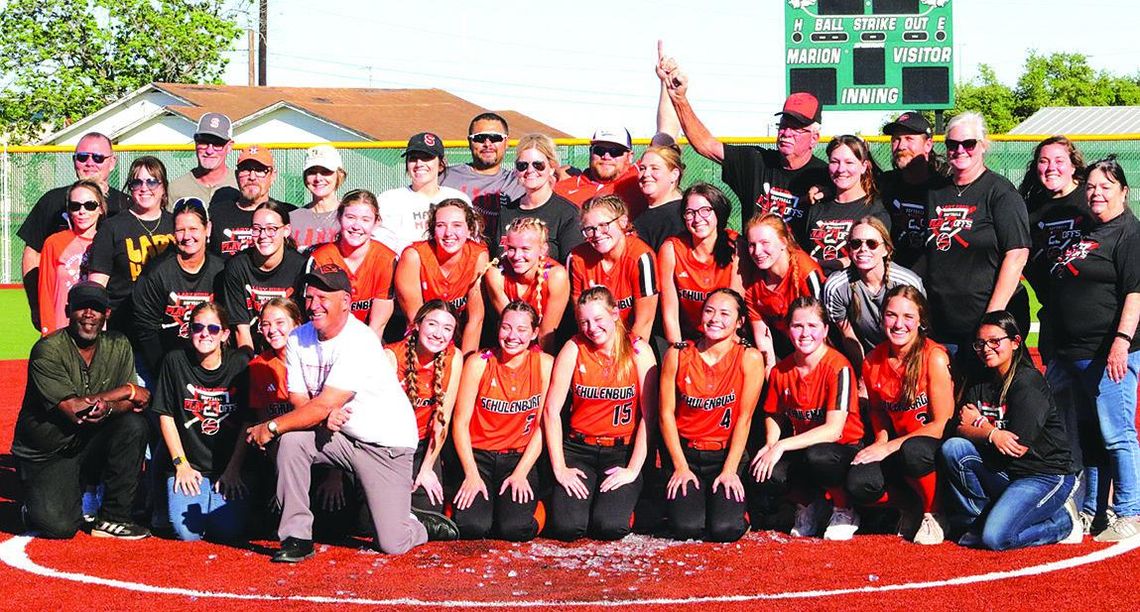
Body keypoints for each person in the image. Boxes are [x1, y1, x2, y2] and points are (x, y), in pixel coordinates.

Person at [246, 265, 458, 563]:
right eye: (309, 297)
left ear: (345, 301)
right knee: (292, 442)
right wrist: (319, 417)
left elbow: (322, 403)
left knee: (392, 543)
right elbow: (300, 399)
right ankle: (296, 537)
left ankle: (419, 524)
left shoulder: (360, 340)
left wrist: (269, 427)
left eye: (323, 297)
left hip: (386, 445)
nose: (313, 305)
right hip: (340, 437)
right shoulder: (297, 339)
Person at [1043, 156, 1140, 541]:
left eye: (1105, 186)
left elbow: (1135, 293)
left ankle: (1129, 511)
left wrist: (1121, 342)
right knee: (1089, 435)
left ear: (1123, 191)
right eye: (1091, 187)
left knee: (1117, 435)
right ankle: (1093, 510)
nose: (1096, 193)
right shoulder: (1085, 231)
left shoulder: (1129, 234)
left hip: (1106, 353)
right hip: (1073, 353)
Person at [13, 281, 151, 539]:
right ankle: (33, 506)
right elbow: (74, 410)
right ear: (68, 311)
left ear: (106, 314)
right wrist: (124, 391)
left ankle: (113, 518)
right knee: (59, 527)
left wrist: (110, 407)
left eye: (96, 309)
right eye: (81, 308)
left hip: (90, 440)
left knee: (134, 425)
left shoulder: (119, 344)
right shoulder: (48, 350)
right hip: (48, 450)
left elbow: (135, 404)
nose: (89, 314)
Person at [656, 49, 830, 247]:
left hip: (799, 268)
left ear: (814, 138)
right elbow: (706, 145)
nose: (787, 133)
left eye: (796, 128)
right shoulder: (756, 161)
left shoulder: (824, 175)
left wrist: (831, 190)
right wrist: (679, 99)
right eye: (783, 125)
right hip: (754, 266)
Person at [941, 311, 1080, 550]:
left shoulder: (1027, 383)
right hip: (1006, 471)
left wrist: (983, 428)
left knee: (996, 538)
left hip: (1043, 475)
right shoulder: (981, 382)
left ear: (1015, 342)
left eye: (995, 341)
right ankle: (978, 521)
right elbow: (962, 427)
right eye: (981, 343)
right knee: (954, 449)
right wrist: (991, 433)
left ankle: (1062, 523)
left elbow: (1016, 445)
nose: (986, 348)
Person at [542, 287, 659, 541]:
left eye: (598, 320)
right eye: (584, 321)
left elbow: (649, 418)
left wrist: (632, 469)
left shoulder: (638, 350)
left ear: (615, 314)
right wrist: (560, 468)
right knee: (568, 528)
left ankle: (637, 504)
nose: (591, 328)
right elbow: (551, 411)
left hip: (620, 450)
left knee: (609, 527)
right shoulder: (574, 347)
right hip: (580, 448)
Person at [750, 297, 864, 540]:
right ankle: (808, 505)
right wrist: (771, 443)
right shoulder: (781, 371)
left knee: (819, 455)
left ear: (825, 330)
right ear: (787, 329)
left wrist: (781, 445)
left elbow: (833, 430)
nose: (805, 333)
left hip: (842, 449)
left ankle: (844, 508)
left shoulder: (838, 366)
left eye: (812, 326)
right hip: (804, 446)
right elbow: (774, 412)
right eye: (797, 326)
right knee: (766, 468)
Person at [847, 287, 952, 544]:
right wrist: (881, 441)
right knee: (858, 481)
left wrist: (891, 446)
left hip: (930, 449)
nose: (898, 324)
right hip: (899, 448)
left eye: (907, 316)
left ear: (920, 321)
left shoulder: (934, 356)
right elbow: (877, 410)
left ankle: (935, 512)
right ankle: (911, 506)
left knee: (913, 451)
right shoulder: (872, 360)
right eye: (891, 315)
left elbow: (942, 424)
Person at [659, 289, 764, 542]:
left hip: (724, 454)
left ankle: (738, 509)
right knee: (687, 528)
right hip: (687, 453)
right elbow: (665, 414)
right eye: (709, 311)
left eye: (725, 314)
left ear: (739, 323)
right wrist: (680, 466)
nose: (715, 318)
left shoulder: (749, 357)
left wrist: (729, 470)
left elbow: (744, 419)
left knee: (725, 530)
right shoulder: (677, 354)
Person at [924, 112, 1030, 356]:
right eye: (952, 144)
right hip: (942, 325)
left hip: (986, 325)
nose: (960, 150)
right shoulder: (935, 191)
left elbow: (1017, 255)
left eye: (969, 143)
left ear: (983, 145)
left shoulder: (1000, 192)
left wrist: (991, 320)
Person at [451, 301, 554, 541]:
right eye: (506, 328)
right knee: (473, 528)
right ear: (498, 328)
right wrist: (471, 473)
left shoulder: (545, 364)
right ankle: (455, 499)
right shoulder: (479, 362)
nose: (512, 336)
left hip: (517, 457)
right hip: (480, 457)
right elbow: (460, 423)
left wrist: (521, 472)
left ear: (534, 333)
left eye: (521, 329)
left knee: (514, 529)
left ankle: (542, 504)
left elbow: (542, 426)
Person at [153, 302, 251, 541]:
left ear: (225, 334)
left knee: (226, 530)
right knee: (188, 532)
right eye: (197, 327)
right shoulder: (174, 361)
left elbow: (249, 421)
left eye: (213, 328)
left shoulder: (240, 364)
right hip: (190, 464)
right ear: (189, 331)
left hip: (227, 465)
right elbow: (165, 415)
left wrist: (233, 470)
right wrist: (181, 464)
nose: (204, 333)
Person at [19, 132, 129, 331]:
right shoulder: (52, 201)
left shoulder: (124, 205)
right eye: (82, 157)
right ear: (74, 160)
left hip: (112, 317)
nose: (89, 163)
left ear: (112, 162)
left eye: (97, 157)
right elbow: (32, 255)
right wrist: (37, 306)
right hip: (64, 315)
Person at [132, 197, 225, 381]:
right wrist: (166, 375)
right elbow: (146, 330)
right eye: (180, 230)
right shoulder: (156, 272)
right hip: (164, 361)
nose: (187, 236)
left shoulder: (221, 270)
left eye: (193, 229)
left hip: (211, 362)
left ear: (208, 229)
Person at [385, 301, 464, 514]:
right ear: (417, 325)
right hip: (389, 445)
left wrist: (427, 468)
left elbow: (442, 419)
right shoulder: (392, 356)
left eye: (447, 329)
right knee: (368, 520)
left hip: (422, 445)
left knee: (429, 508)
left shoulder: (454, 357)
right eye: (432, 324)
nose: (439, 334)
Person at [87, 156, 176, 342]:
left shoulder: (176, 225)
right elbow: (97, 286)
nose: (144, 188)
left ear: (164, 187)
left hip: (167, 323)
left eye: (152, 181)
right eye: (137, 182)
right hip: (123, 325)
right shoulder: (112, 227)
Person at [821, 217, 925, 369]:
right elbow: (849, 337)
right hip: (868, 361)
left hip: (908, 359)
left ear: (886, 249)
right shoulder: (836, 286)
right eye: (856, 244)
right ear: (849, 250)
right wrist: (865, 375)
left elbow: (918, 333)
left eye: (872, 244)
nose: (863, 249)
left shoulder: (908, 282)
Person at [1017, 136, 1087, 361]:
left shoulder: (1091, 200)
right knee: (1057, 393)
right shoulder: (1028, 210)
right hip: (1054, 322)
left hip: (1094, 323)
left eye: (1059, 161)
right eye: (1043, 161)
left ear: (1073, 165)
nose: (1051, 168)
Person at [395, 198, 489, 354]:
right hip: (420, 342)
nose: (448, 233)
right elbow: (416, 322)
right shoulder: (414, 256)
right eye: (440, 225)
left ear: (470, 229)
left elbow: (475, 320)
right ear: (433, 230)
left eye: (457, 225)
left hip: (457, 340)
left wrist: (464, 368)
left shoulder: (478, 255)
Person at [658, 182, 743, 344]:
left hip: (725, 337)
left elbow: (734, 311)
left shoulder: (737, 247)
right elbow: (670, 314)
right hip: (688, 338)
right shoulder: (671, 249)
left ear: (718, 212)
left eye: (705, 211)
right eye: (690, 213)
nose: (697, 219)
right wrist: (678, 350)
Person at [568, 195, 659, 342]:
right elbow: (582, 321)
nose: (597, 234)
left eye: (604, 225)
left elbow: (644, 323)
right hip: (593, 339)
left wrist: (624, 359)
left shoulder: (640, 257)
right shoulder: (577, 259)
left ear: (622, 222)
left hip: (631, 340)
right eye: (589, 229)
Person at [219, 201, 308, 352]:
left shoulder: (300, 267)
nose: (263, 235)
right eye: (257, 229)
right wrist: (253, 369)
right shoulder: (237, 266)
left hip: (292, 352)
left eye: (271, 229)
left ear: (286, 230)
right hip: (250, 350)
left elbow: (303, 326)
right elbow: (241, 330)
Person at [309, 190, 397, 339]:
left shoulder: (386, 259)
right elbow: (315, 314)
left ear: (376, 223)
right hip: (327, 337)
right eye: (350, 217)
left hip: (367, 339)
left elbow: (377, 326)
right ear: (339, 217)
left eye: (365, 219)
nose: (356, 226)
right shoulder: (320, 258)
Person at [741, 213, 823, 367]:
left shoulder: (806, 273)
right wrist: (771, 377)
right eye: (752, 245)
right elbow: (763, 339)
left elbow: (821, 331)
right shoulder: (753, 283)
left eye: (765, 243)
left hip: (815, 349)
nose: (757, 251)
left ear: (783, 242)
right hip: (784, 348)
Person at [373, 132, 471, 256]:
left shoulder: (458, 198)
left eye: (426, 157)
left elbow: (470, 242)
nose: (419, 164)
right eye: (413, 158)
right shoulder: (388, 199)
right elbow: (378, 245)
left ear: (441, 164)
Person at [484, 217, 570, 353]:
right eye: (511, 248)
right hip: (509, 346)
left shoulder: (556, 276)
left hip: (545, 351)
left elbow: (546, 335)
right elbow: (512, 326)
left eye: (525, 249)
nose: (517, 256)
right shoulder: (496, 274)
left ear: (543, 249)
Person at [806, 135, 890, 273]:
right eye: (834, 162)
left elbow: (867, 258)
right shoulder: (817, 206)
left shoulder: (876, 210)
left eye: (849, 162)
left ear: (864, 167)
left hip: (850, 290)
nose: (841, 169)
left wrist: (820, 263)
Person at [494, 133, 583, 263]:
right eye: (522, 165)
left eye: (538, 165)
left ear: (552, 168)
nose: (530, 170)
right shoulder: (506, 212)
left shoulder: (567, 214)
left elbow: (572, 267)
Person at [441, 112, 526, 242]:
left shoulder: (520, 182)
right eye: (479, 138)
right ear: (470, 142)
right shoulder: (445, 177)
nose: (487, 143)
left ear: (506, 142)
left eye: (495, 138)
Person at [878, 112, 946, 268]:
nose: (901, 146)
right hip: (895, 281)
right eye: (896, 139)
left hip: (935, 282)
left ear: (928, 145)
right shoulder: (885, 183)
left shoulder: (944, 185)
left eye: (909, 139)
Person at [37, 180, 104, 335]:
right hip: (63, 327)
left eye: (90, 205)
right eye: (75, 206)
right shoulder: (54, 243)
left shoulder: (108, 241)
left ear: (100, 208)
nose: (82, 211)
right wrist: (47, 331)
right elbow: (45, 291)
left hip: (97, 330)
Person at [210, 145, 293, 259]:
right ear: (236, 175)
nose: (252, 177)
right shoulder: (216, 215)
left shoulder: (287, 213)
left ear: (273, 175)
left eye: (260, 170)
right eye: (245, 169)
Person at [553, 127, 647, 216]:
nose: (606, 157)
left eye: (616, 152)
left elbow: (660, 138)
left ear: (630, 157)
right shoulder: (562, 187)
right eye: (599, 150)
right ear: (591, 152)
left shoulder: (639, 178)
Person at [167, 112, 240, 210]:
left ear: (229, 146)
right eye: (203, 142)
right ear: (195, 142)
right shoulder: (176, 188)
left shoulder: (241, 184)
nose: (209, 151)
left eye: (217, 143)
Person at [291, 144, 348, 251]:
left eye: (325, 172)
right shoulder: (293, 218)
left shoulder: (350, 216)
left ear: (339, 175)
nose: (318, 178)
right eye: (312, 172)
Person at [633, 144, 686, 250]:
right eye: (642, 168)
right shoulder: (641, 214)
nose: (646, 174)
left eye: (655, 168)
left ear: (674, 175)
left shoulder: (683, 214)